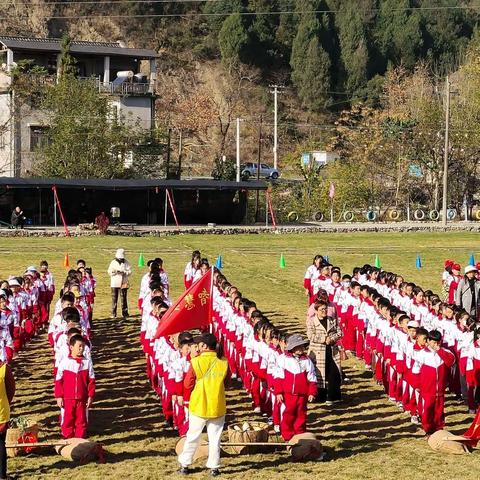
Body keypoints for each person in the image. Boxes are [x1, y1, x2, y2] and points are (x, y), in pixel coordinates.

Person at [178, 333, 230, 477]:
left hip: (199, 404)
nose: (197, 347)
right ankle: (214, 466)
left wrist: (188, 397)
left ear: (204, 346)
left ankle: (185, 464)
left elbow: (188, 383)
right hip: (217, 405)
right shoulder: (224, 362)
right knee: (215, 438)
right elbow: (227, 383)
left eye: (199, 345)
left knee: (193, 436)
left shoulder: (196, 361)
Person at [275, 333, 317, 440]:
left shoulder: (306, 361)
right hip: (288, 394)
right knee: (288, 415)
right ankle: (287, 435)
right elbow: (278, 376)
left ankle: (300, 433)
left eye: (302, 346)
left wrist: (312, 392)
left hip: (302, 394)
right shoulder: (283, 359)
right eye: (297, 347)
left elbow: (312, 377)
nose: (300, 349)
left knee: (301, 415)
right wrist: (279, 392)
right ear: (292, 348)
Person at [54, 334, 95, 439]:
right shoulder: (65, 362)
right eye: (79, 346)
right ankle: (68, 438)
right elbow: (58, 381)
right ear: (71, 347)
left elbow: (91, 380)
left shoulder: (87, 362)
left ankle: (79, 439)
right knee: (68, 419)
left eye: (83, 346)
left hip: (82, 397)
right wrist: (59, 396)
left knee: (81, 420)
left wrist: (90, 395)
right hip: (68, 398)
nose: (81, 349)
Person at [307, 300, 343, 404]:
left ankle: (334, 396)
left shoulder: (331, 320)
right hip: (318, 352)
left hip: (331, 351)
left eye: (326, 308)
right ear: (316, 311)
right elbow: (311, 335)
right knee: (319, 375)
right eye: (322, 309)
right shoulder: (312, 321)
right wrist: (324, 338)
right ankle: (320, 396)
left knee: (334, 373)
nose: (324, 311)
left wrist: (331, 339)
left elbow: (339, 332)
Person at [0, 360, 15, 480]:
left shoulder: (4, 369)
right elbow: (11, 390)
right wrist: (5, 402)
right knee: (0, 444)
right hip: (1, 413)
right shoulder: (4, 369)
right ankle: (2, 475)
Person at [107, 248, 132, 319]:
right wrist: (115, 272)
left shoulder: (126, 262)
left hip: (123, 282)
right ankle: (113, 313)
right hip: (114, 283)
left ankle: (125, 313)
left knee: (123, 299)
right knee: (114, 299)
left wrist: (124, 272)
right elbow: (109, 271)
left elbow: (130, 272)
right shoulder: (113, 262)